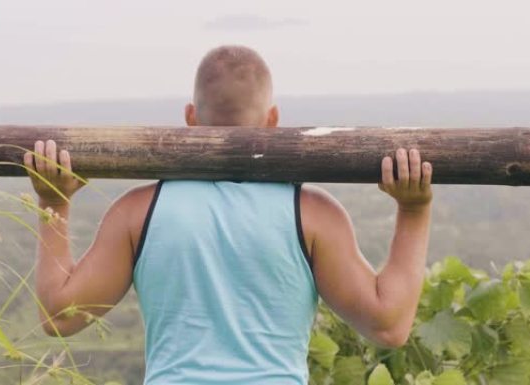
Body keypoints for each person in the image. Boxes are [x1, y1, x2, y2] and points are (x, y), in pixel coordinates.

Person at [23, 45, 433, 385]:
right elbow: (389, 326)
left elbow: (59, 317)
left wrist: (54, 203)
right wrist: (413, 210)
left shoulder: (136, 212)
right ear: (273, 120)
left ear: (189, 118)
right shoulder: (313, 215)